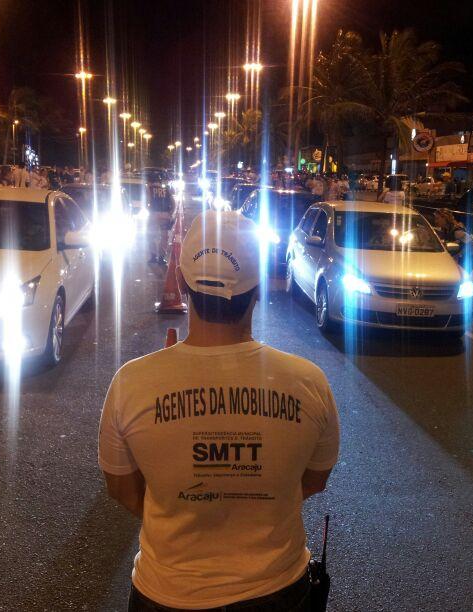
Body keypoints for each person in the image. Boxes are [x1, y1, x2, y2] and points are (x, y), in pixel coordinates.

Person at [99, 210, 339, 611]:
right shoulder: (308, 382)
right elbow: (313, 480)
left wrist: (188, 504)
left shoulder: (132, 383)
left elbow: (123, 490)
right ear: (259, 288)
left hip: (167, 593)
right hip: (277, 589)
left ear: (181, 281)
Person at [145, 183, 175, 264]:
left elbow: (147, 202)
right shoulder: (167, 188)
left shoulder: (150, 188)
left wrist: (150, 211)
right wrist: (170, 213)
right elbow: (173, 202)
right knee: (164, 237)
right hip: (165, 215)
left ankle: (153, 256)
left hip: (154, 215)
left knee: (151, 236)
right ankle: (161, 258)